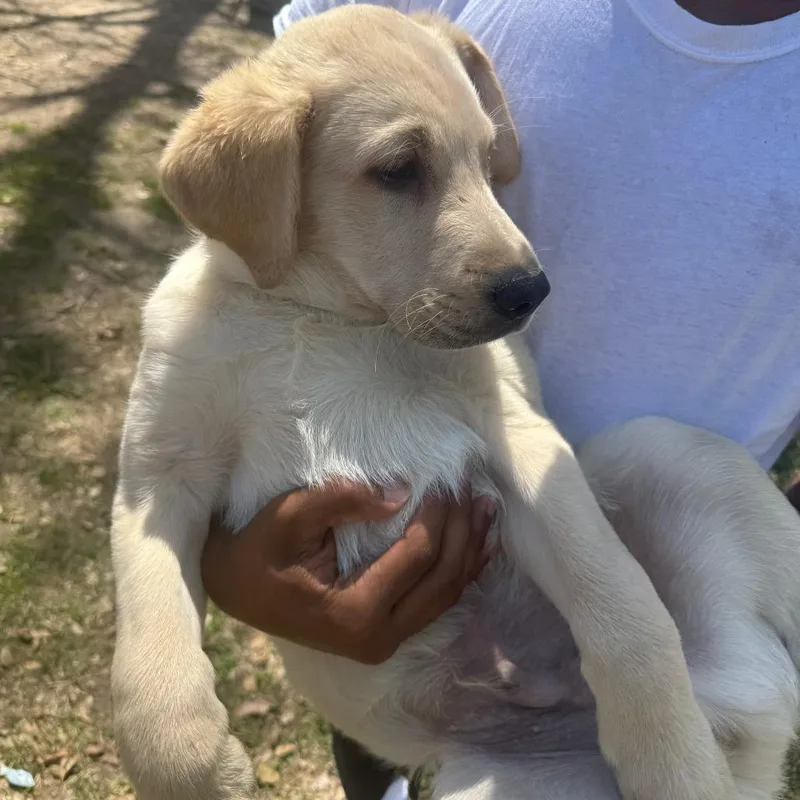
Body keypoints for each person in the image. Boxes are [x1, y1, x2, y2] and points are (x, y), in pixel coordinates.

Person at [201, 0, 800, 797]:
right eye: (399, 169)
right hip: (410, 637)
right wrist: (226, 563)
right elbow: (254, 216)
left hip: (690, 600)